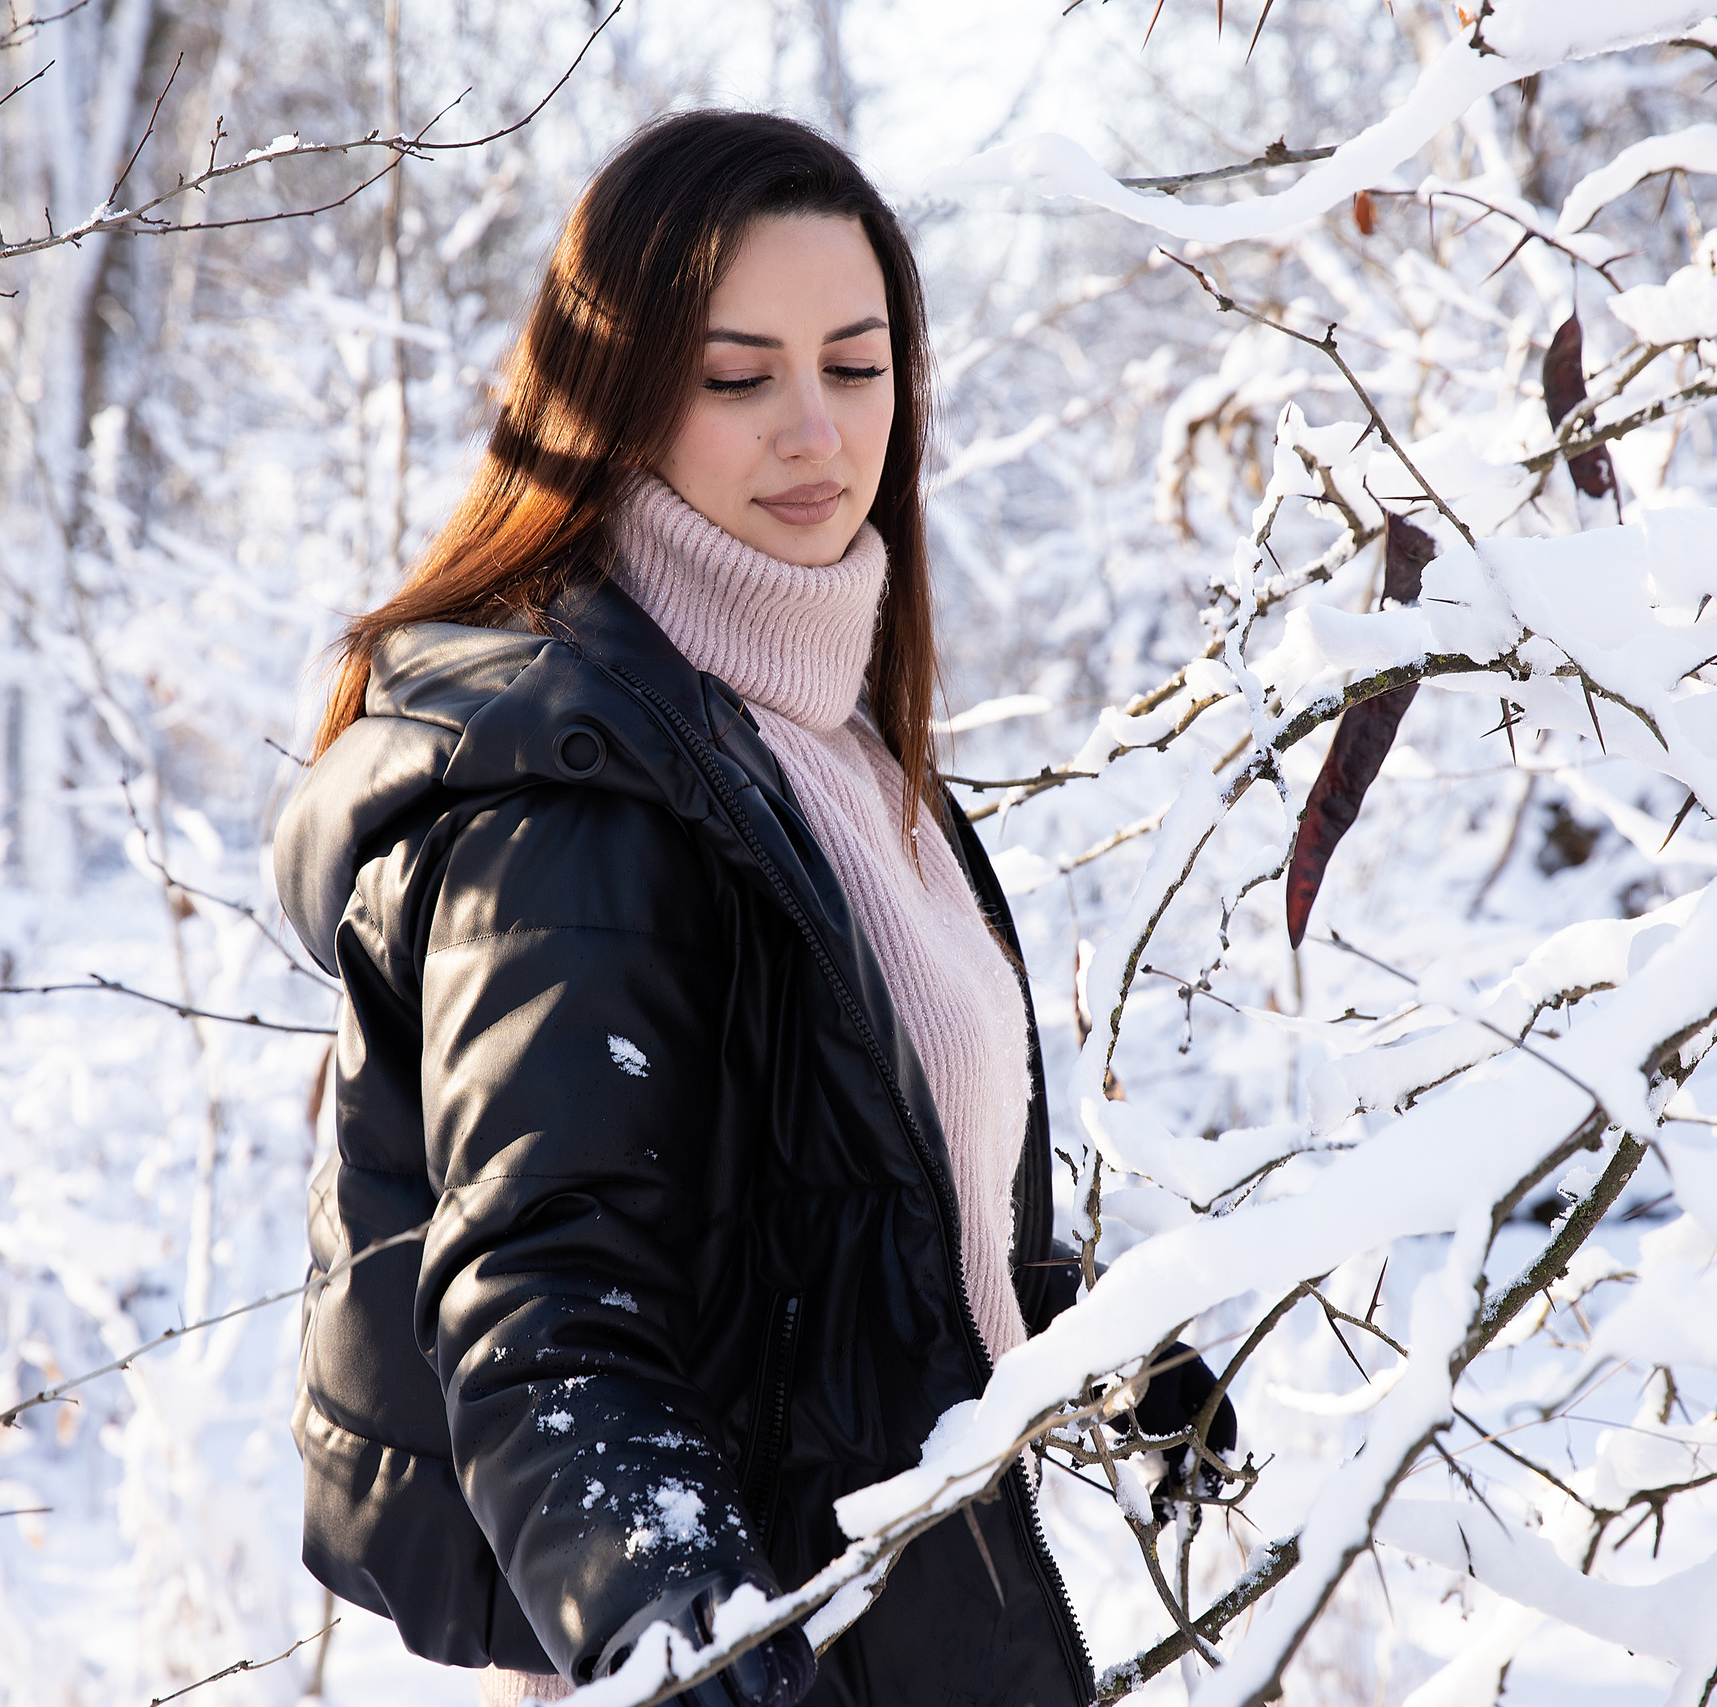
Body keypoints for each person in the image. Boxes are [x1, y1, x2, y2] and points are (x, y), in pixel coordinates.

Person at [275, 109, 1218, 1707]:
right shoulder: (576, 796)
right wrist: (701, 1662)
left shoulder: (830, 755)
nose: (815, 433)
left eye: (856, 369)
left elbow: (831, 1210)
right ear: (618, 404)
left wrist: (1092, 1344)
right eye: (736, 377)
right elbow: (549, 1323)